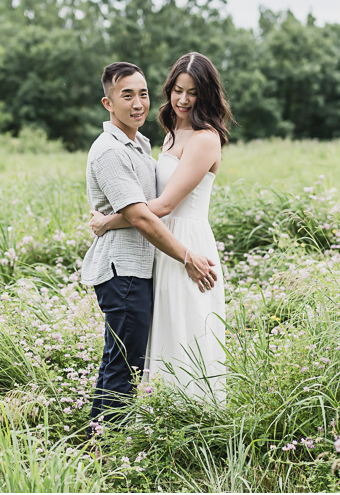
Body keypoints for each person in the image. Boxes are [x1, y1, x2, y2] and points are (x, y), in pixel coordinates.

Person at [81, 61, 218, 432]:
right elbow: (143, 213)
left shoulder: (153, 141)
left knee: (174, 337)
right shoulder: (117, 148)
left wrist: (108, 220)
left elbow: (160, 206)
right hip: (146, 257)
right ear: (108, 103)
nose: (183, 99)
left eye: (143, 93)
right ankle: (106, 447)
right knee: (125, 361)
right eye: (178, 90)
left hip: (174, 247)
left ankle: (190, 424)